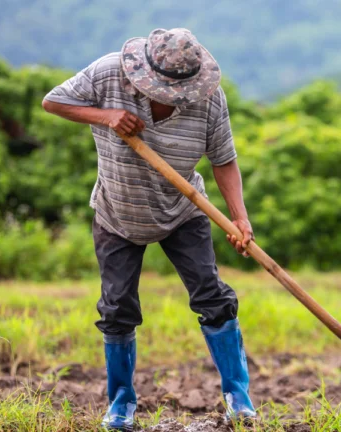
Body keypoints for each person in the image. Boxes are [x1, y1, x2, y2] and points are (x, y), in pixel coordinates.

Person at [42, 28, 256, 430]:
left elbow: (224, 160)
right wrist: (106, 116)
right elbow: (53, 101)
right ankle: (121, 405)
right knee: (118, 307)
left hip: (183, 209)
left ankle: (238, 399)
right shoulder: (108, 74)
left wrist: (239, 217)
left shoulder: (208, 99)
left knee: (212, 296)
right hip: (117, 212)